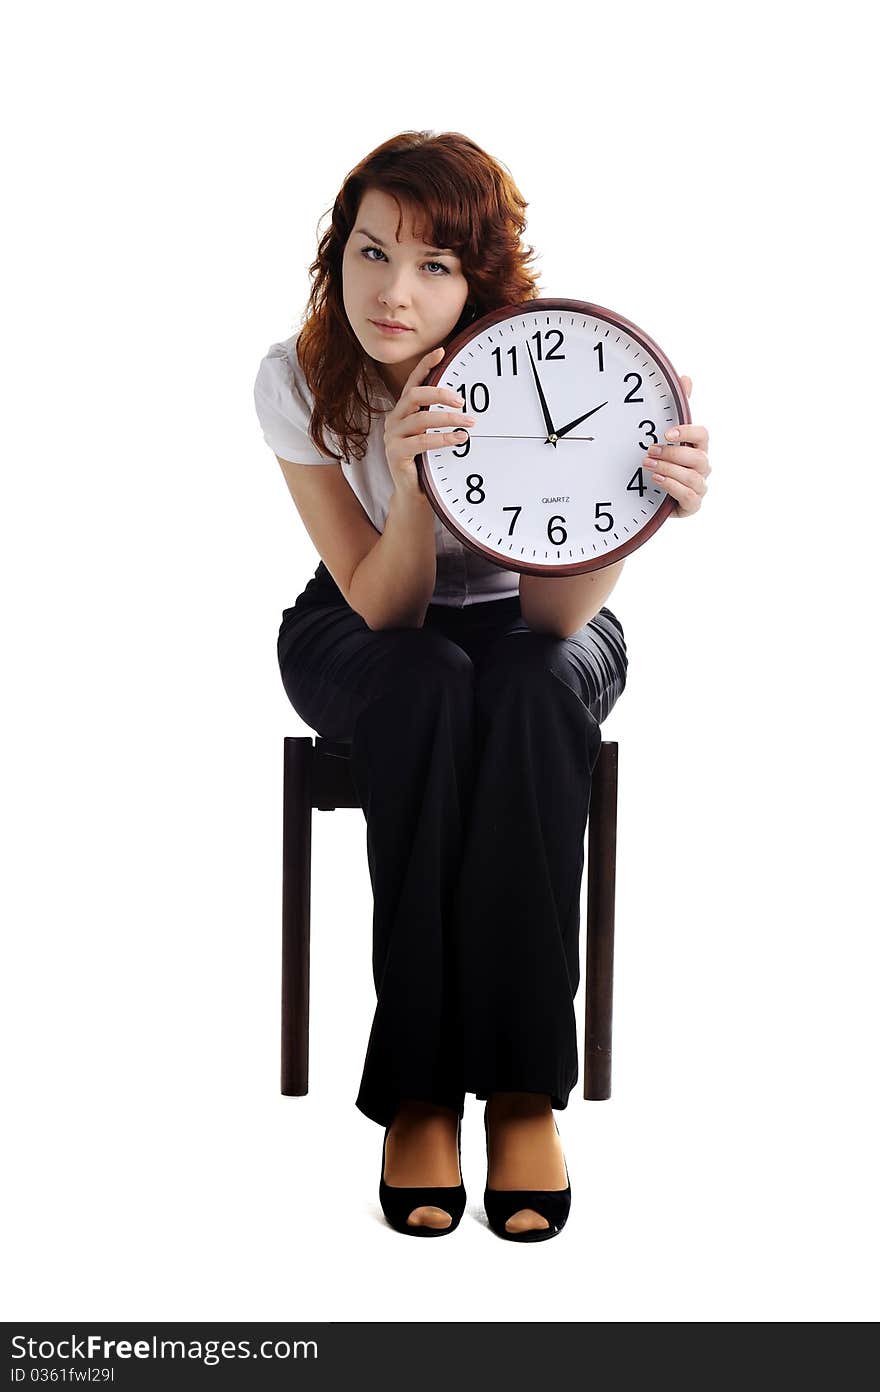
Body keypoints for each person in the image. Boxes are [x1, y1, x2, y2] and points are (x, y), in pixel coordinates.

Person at [253, 130, 711, 1242]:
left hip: (542, 614)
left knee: (530, 684)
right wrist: (411, 483)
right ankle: (417, 1093)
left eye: (434, 266)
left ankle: (517, 1095)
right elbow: (381, 608)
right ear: (336, 256)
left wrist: (636, 511)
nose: (393, 292)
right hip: (366, 616)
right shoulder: (297, 377)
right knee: (423, 678)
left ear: (480, 282)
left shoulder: (552, 365)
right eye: (370, 253)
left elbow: (556, 621)